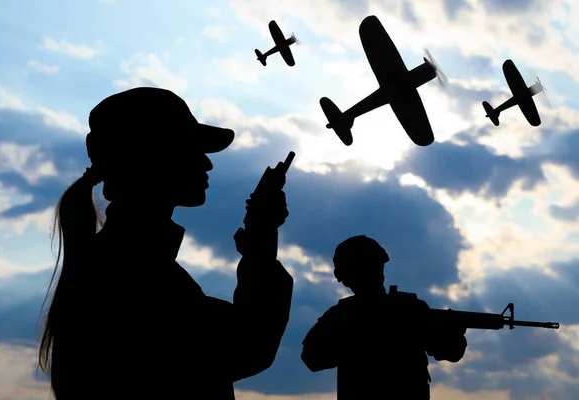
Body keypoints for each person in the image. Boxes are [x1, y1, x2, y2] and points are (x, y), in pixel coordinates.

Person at [36, 87, 294, 399]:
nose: (207, 164)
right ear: (153, 156)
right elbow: (245, 347)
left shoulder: (117, 262)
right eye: (192, 149)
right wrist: (262, 241)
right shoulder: (135, 273)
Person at [301, 235, 467, 399]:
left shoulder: (340, 315)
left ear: (343, 278)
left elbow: (312, 358)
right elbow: (312, 358)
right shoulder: (409, 308)